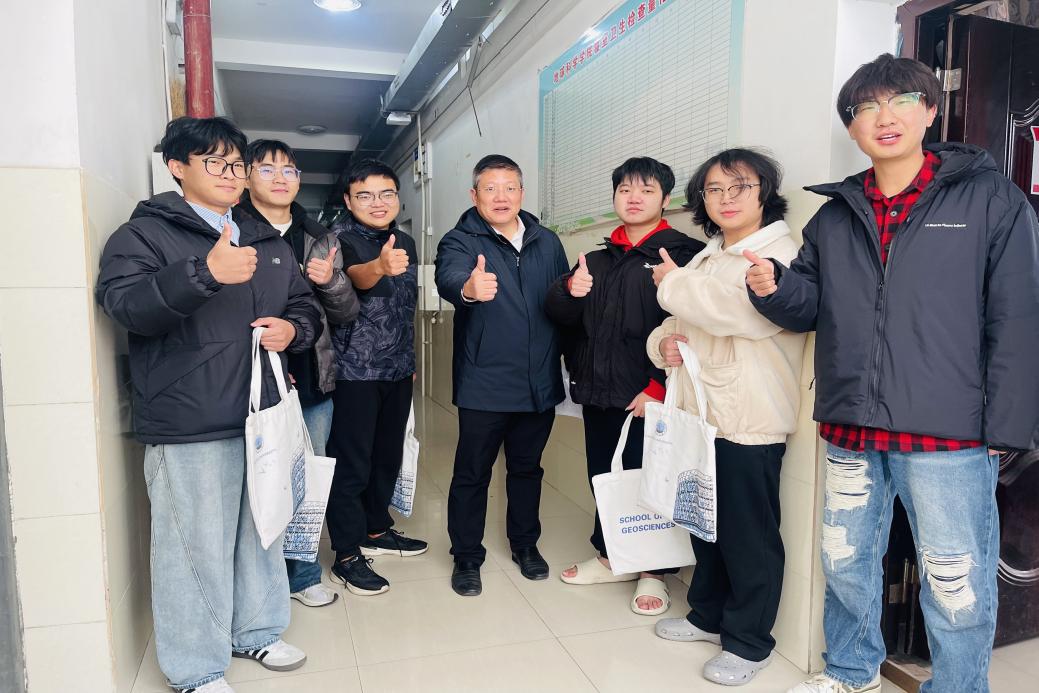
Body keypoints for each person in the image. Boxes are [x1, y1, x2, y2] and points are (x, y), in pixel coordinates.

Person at [745, 55, 1039, 693]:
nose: (884, 117)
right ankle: (852, 671)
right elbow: (809, 305)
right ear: (851, 126)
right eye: (866, 107)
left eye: (901, 100)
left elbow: (1018, 315)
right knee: (845, 562)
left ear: (930, 111)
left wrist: (1009, 423)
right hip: (852, 421)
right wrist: (773, 288)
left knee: (954, 578)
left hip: (949, 430)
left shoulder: (991, 199)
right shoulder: (835, 215)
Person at [96, 117, 321, 693]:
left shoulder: (265, 238)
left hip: (261, 414)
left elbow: (303, 305)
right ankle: (196, 668)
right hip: (189, 417)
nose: (229, 173)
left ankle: (258, 630)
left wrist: (293, 331)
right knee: (192, 545)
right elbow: (125, 305)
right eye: (214, 162)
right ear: (177, 167)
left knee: (263, 528)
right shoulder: (144, 234)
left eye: (236, 164)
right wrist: (204, 273)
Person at [645, 148, 805, 686]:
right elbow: (678, 321)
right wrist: (662, 346)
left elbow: (736, 313)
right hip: (702, 414)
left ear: (765, 194)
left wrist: (671, 283)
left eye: (740, 187)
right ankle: (707, 615)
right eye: (715, 189)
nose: (726, 198)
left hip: (748, 415)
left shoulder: (777, 253)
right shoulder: (709, 255)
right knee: (705, 523)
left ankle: (750, 642)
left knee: (747, 536)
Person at [544, 157, 704, 615]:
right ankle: (611, 555)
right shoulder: (595, 259)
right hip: (599, 390)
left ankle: (654, 572)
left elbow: (689, 327)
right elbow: (563, 319)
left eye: (646, 190)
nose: (634, 198)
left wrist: (657, 385)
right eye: (625, 190)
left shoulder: (683, 254)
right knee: (605, 475)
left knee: (652, 478)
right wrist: (568, 291)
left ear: (665, 199)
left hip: (650, 392)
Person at [434, 154, 570, 597]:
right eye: (490, 188)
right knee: (472, 473)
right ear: (474, 195)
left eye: (510, 187)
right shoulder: (460, 240)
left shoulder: (547, 241)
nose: (501, 197)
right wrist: (468, 289)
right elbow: (449, 278)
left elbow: (560, 301)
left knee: (527, 470)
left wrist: (575, 294)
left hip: (539, 382)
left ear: (522, 193)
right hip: (484, 382)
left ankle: (525, 545)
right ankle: (466, 556)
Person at [235, 139, 359, 608]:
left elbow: (345, 313)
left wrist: (332, 281)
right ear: (247, 177)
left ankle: (303, 575)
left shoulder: (321, 237)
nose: (280, 178)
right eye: (267, 169)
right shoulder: (232, 230)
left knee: (307, 479)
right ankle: (260, 585)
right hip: (254, 381)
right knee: (259, 481)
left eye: (289, 170)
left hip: (312, 378)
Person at [324, 158, 427, 596]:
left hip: (397, 368)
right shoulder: (338, 240)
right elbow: (355, 277)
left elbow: (405, 307)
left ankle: (375, 529)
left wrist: (409, 358)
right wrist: (380, 266)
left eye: (386, 194)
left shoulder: (406, 240)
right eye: (364, 195)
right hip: (355, 372)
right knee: (352, 463)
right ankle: (346, 554)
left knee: (387, 456)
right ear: (349, 201)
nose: (377, 202)